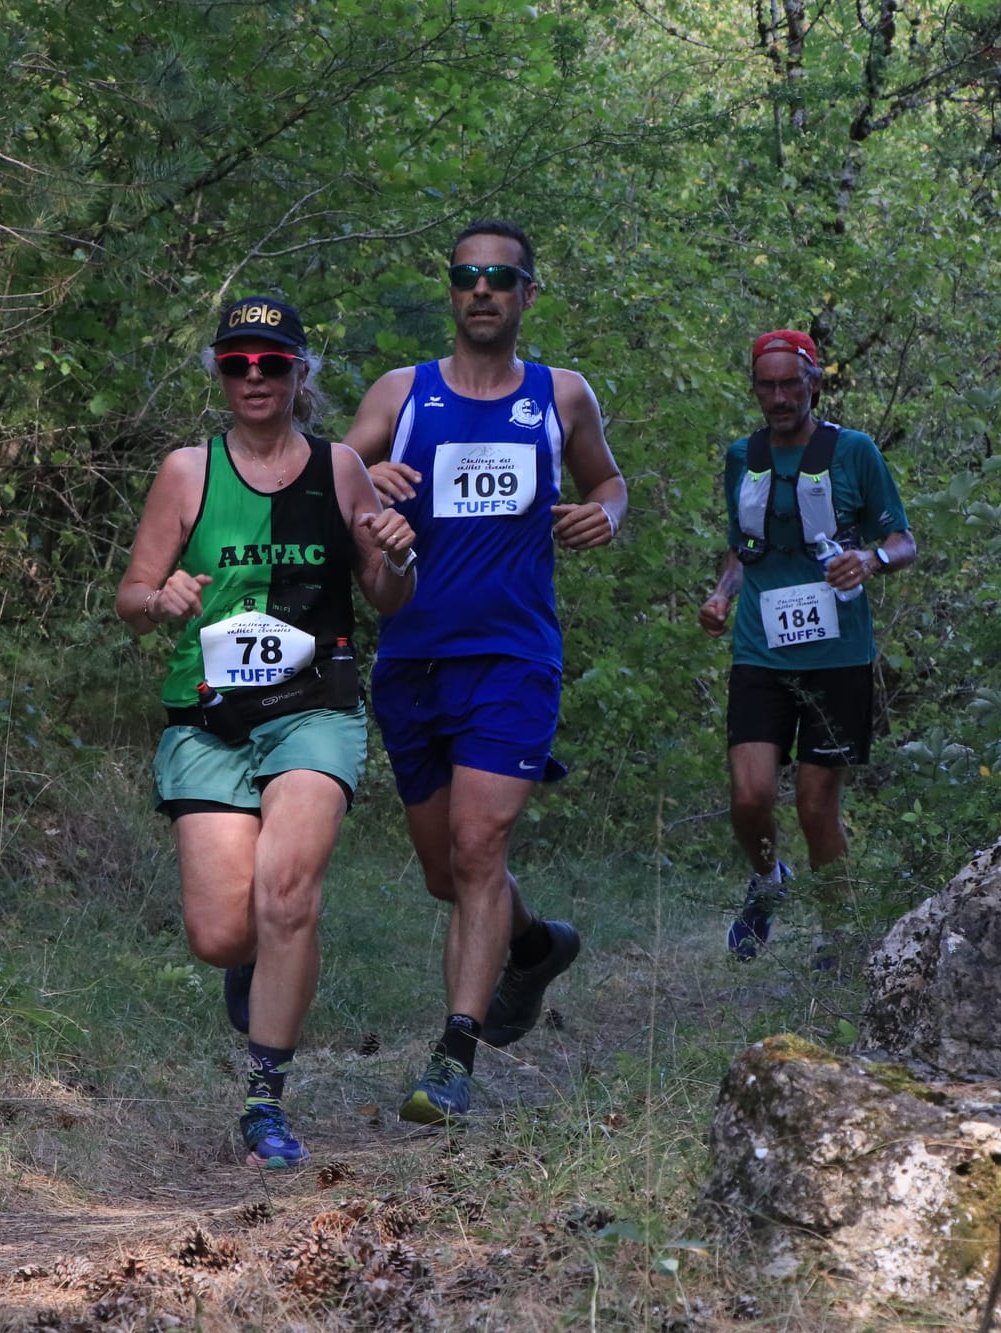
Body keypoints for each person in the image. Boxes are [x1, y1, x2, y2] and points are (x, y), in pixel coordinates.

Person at [116, 295, 417, 1167]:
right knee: (223, 932)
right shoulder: (187, 471)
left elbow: (387, 598)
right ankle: (259, 967)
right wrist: (161, 597)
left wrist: (399, 554)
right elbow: (132, 600)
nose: (255, 377)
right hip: (208, 717)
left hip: (313, 705)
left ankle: (264, 1098)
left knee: (288, 892)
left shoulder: (341, 469)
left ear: (299, 374)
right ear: (219, 372)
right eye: (238, 362)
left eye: (273, 363)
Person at [342, 220, 627, 1125]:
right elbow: (339, 479)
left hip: (514, 656)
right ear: (451, 290)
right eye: (467, 276)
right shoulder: (404, 394)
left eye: (500, 279)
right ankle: (535, 945)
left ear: (526, 295)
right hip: (414, 660)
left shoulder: (561, 396)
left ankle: (452, 1057)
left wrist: (604, 516)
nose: (482, 290)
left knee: (479, 850)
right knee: (448, 873)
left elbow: (609, 483)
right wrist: (370, 488)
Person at [697, 329, 917, 962]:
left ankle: (838, 937)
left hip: (837, 655)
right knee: (750, 797)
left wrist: (870, 559)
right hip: (759, 651)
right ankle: (768, 879)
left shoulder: (854, 452)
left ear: (813, 382)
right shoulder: (743, 456)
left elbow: (903, 540)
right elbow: (742, 547)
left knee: (818, 808)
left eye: (789, 383)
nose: (778, 396)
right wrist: (721, 593)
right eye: (765, 385)